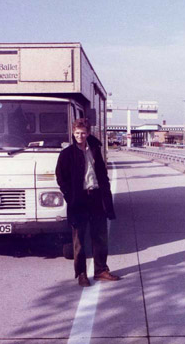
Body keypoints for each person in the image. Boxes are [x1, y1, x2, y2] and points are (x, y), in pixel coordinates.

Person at [56, 118, 120, 287]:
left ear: (88, 133)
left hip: (96, 197)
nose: (80, 136)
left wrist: (106, 193)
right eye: (77, 133)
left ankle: (100, 271)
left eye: (83, 133)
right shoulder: (67, 154)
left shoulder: (94, 149)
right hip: (79, 200)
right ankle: (82, 274)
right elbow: (61, 178)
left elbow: (101, 173)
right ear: (72, 133)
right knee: (79, 240)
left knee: (100, 236)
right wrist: (70, 196)